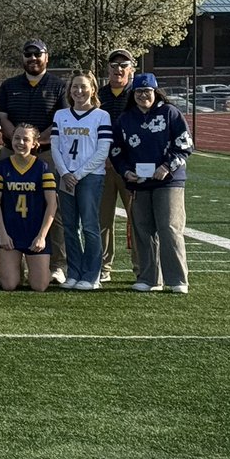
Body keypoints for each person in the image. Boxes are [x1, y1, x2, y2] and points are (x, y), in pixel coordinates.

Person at [110, 73, 192, 294]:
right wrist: (126, 171)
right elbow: (116, 151)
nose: (143, 95)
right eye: (138, 91)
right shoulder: (125, 119)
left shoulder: (170, 113)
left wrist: (166, 167)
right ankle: (149, 278)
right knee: (143, 231)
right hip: (139, 183)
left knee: (169, 228)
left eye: (147, 91)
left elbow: (184, 144)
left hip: (168, 182)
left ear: (156, 92)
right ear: (133, 94)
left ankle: (177, 279)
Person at [0, 40, 68, 283]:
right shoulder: (9, 85)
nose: (33, 58)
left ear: (47, 57)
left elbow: (61, 120)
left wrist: (35, 141)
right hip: (11, 150)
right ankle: (10, 257)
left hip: (45, 151)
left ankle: (57, 264)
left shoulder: (58, 86)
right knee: (5, 203)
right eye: (29, 54)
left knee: (52, 208)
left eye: (38, 54)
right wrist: (19, 139)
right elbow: (2, 118)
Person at [50, 70, 112, 290]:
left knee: (89, 226)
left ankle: (92, 274)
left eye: (84, 86)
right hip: (65, 175)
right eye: (75, 86)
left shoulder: (101, 116)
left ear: (93, 89)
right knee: (69, 226)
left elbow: (102, 150)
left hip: (89, 177)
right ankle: (74, 272)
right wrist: (65, 173)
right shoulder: (61, 115)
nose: (79, 91)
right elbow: (55, 147)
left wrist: (77, 174)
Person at [0, 124, 58, 292]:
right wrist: (3, 235)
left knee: (40, 286)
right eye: (17, 138)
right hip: (11, 231)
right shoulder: (2, 167)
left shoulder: (42, 167)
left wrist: (42, 236)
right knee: (9, 285)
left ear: (35, 143)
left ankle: (37, 269)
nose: (20, 142)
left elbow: (52, 204)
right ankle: (15, 267)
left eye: (26, 139)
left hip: (34, 231)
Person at [97, 48, 138, 283]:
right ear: (108, 69)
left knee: (137, 218)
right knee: (103, 220)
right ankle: (104, 267)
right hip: (101, 166)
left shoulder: (138, 94)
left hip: (129, 167)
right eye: (114, 65)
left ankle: (141, 266)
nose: (119, 69)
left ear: (131, 68)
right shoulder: (98, 95)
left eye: (124, 65)